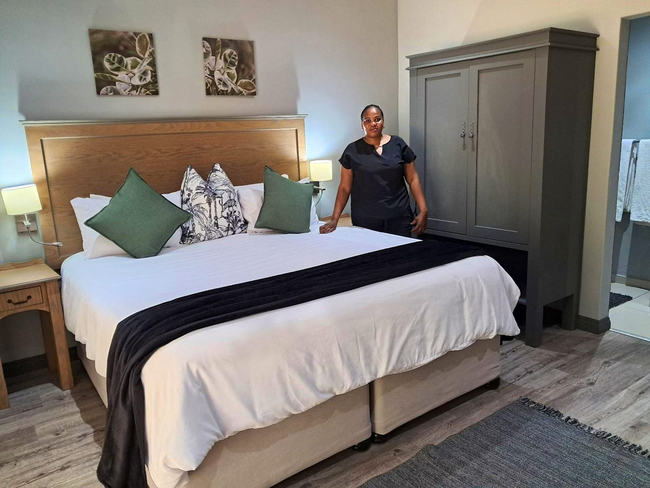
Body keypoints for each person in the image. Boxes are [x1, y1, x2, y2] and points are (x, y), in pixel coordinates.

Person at [320, 104, 428, 237]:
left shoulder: (398, 144)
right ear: (362, 125)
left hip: (399, 216)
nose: (373, 123)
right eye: (368, 120)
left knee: (403, 250)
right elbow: (344, 188)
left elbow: (413, 178)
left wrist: (423, 210)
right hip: (366, 219)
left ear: (383, 122)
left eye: (377, 119)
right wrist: (334, 219)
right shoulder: (352, 151)